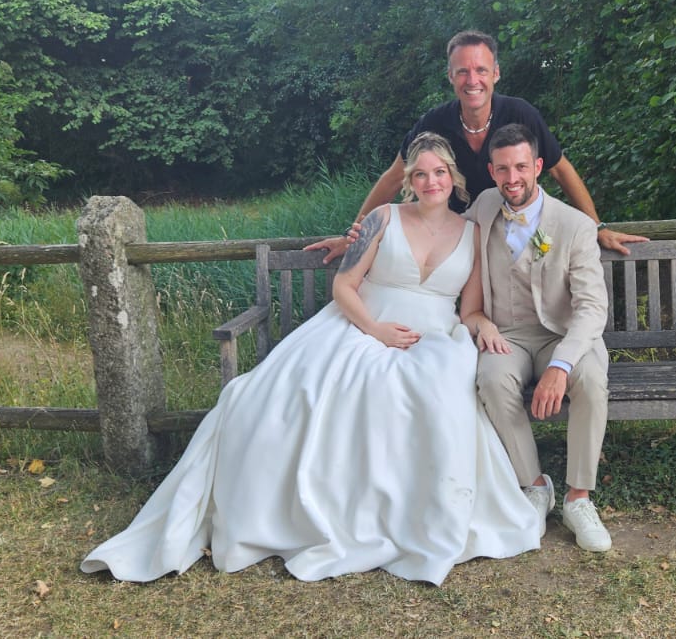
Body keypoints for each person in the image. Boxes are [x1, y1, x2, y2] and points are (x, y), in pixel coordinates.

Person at [81, 134, 541, 585]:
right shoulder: (382, 218)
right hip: (361, 323)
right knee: (280, 394)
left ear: (453, 177)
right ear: (409, 181)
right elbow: (344, 285)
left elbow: (470, 310)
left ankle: (417, 514)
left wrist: (484, 326)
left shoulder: (472, 233)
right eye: (420, 174)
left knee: (438, 391)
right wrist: (375, 330)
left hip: (435, 336)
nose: (431, 181)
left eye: (439, 172)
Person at [305, 30, 647, 262]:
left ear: (496, 73)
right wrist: (353, 234)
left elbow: (561, 169)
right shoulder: (433, 123)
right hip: (456, 244)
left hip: (515, 238)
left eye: (481, 70)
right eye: (462, 72)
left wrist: (597, 227)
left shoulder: (521, 114)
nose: (473, 80)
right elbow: (394, 177)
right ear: (450, 77)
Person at [460, 123, 613, 552]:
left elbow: (592, 308)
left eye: (521, 167)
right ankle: (535, 485)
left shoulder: (574, 225)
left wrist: (561, 366)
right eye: (503, 169)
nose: (513, 178)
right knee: (491, 380)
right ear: (491, 171)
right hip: (506, 333)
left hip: (562, 334)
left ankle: (578, 498)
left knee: (591, 380)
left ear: (539, 166)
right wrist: (383, 229)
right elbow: (440, 231)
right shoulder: (483, 207)